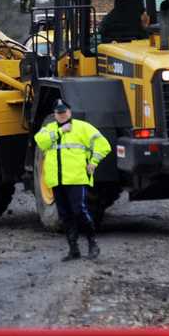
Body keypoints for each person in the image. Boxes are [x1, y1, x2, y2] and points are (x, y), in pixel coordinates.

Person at [33, 99, 111, 261]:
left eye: (64, 112)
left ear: (70, 112)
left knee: (79, 210)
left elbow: (103, 145)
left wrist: (93, 162)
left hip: (76, 178)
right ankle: (73, 249)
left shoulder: (82, 127)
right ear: (54, 115)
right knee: (65, 215)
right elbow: (41, 142)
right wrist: (61, 131)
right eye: (58, 113)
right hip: (56, 180)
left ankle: (92, 243)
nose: (62, 115)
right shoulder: (48, 129)